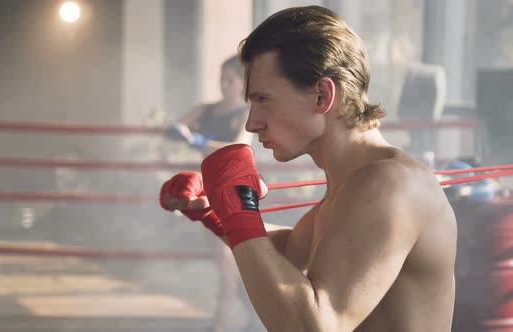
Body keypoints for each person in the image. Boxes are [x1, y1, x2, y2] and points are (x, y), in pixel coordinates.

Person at [160, 5, 457, 331]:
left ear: (322, 96)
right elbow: (291, 252)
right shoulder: (354, 181)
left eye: (263, 100)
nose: (252, 122)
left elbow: (318, 324)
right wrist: (215, 210)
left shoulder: (388, 183)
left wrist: (239, 212)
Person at [165, 55, 259, 332]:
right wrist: (181, 131)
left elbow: (239, 146)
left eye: (231, 80)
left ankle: (222, 321)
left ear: (242, 83)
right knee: (224, 257)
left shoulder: (246, 113)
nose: (225, 85)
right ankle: (255, 316)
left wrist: (199, 141)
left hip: (232, 188)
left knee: (225, 257)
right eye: (222, 80)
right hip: (205, 187)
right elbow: (176, 126)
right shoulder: (207, 109)